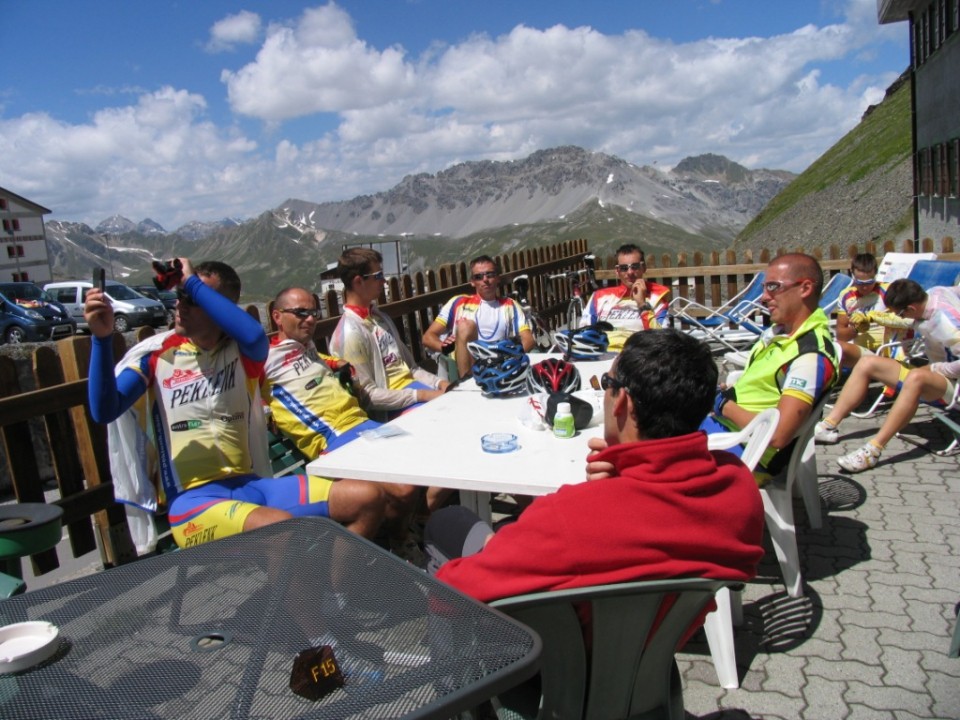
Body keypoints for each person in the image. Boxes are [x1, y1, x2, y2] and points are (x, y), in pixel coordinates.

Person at [425, 329, 764, 604]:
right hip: (653, 661)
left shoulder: (569, 516)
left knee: (448, 522)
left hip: (556, 671)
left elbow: (453, 594)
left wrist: (600, 495)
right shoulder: (740, 489)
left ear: (623, 402)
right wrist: (619, 481)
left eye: (607, 382)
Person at [85, 258, 385, 548]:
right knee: (281, 530)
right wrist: (101, 339)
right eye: (180, 296)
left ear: (220, 309)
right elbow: (104, 410)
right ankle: (310, 598)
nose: (180, 306)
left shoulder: (242, 352)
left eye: (192, 298)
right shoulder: (158, 356)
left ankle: (335, 592)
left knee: (367, 498)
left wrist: (191, 281)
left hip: (250, 486)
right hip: (194, 503)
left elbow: (254, 334)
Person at [264, 286, 422, 559]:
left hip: (362, 426)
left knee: (425, 457)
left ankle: (399, 537)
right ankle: (396, 543)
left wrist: (338, 364)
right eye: (301, 312)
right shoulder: (265, 360)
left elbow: (315, 362)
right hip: (333, 439)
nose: (310, 319)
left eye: (313, 312)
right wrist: (265, 412)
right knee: (404, 488)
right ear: (278, 317)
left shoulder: (307, 347)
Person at [701, 253, 839, 480]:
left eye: (773, 287)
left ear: (805, 288)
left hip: (747, 453)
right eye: (765, 288)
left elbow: (777, 435)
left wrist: (722, 403)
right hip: (728, 432)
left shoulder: (809, 356)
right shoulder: (782, 335)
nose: (763, 298)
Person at [815, 279, 960, 473]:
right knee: (868, 363)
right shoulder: (935, 293)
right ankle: (828, 426)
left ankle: (873, 451)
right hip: (938, 373)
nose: (897, 317)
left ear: (911, 307)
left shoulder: (946, 323)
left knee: (916, 378)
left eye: (899, 313)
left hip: (954, 385)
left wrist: (936, 369)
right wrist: (872, 317)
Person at [330, 247, 448, 419]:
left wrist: (440, 383)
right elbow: (368, 396)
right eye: (378, 276)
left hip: (416, 394)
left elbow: (412, 369)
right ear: (358, 282)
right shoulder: (349, 334)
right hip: (392, 410)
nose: (384, 281)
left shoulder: (380, 317)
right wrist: (421, 395)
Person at [422, 255, 535, 379]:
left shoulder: (510, 305)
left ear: (498, 278)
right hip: (466, 366)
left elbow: (528, 340)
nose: (485, 279)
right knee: (466, 326)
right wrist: (444, 347)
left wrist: (508, 359)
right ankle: (468, 382)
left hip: (500, 364)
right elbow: (428, 337)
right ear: (472, 282)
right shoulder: (458, 302)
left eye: (490, 274)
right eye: (478, 277)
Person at [581, 243, 668, 352]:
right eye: (624, 268)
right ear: (617, 271)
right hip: (603, 354)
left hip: (640, 357)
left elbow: (663, 341)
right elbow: (584, 334)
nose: (630, 272)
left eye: (635, 266)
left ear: (643, 268)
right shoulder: (599, 297)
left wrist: (642, 304)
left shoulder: (657, 298)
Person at [835, 253, 913, 369]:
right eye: (860, 283)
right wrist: (856, 329)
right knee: (837, 348)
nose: (865, 287)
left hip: (888, 348)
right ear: (853, 276)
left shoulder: (888, 291)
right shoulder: (846, 296)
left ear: (876, 275)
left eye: (869, 282)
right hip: (863, 350)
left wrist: (873, 318)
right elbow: (840, 335)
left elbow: (908, 319)